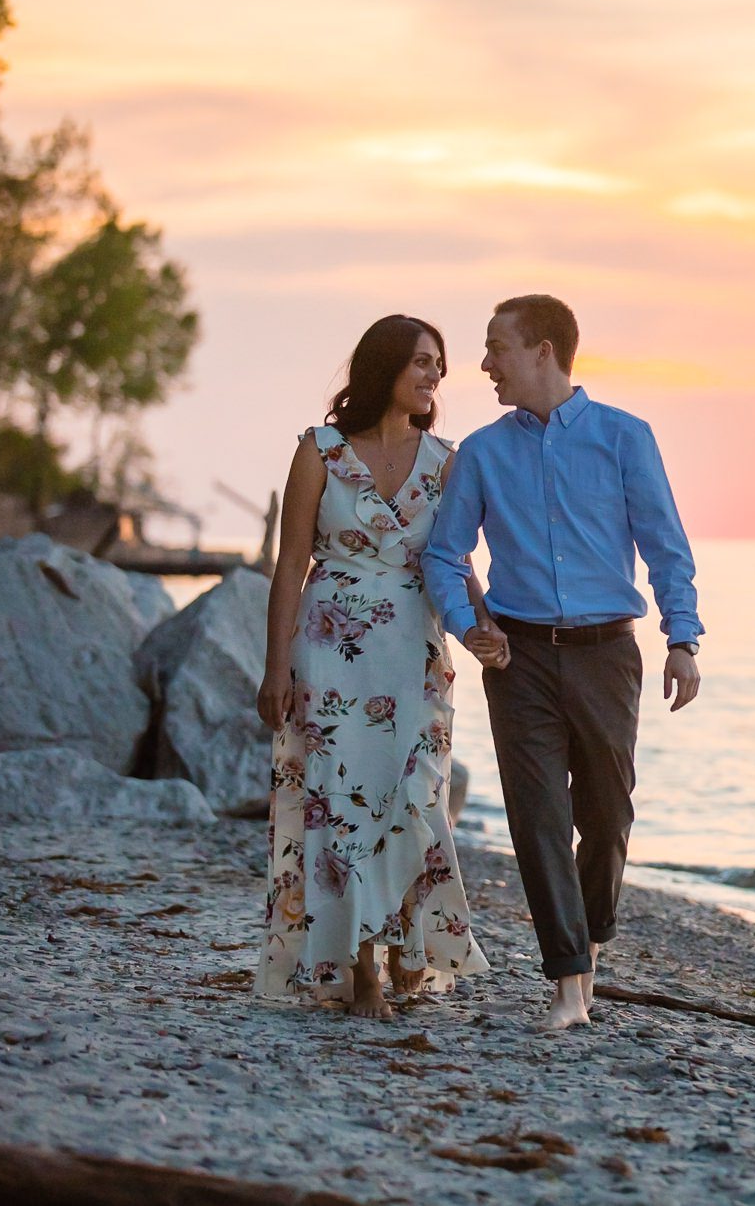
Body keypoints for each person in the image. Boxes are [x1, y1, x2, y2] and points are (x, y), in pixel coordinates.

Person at [423, 293, 703, 1031]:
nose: (484, 365)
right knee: (538, 818)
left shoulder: (624, 437)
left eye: (497, 348)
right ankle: (568, 985)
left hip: (608, 652)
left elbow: (665, 545)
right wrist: (468, 626)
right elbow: (445, 555)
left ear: (543, 350)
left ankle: (590, 939)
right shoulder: (482, 452)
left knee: (607, 816)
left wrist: (683, 639)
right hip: (518, 660)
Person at [254, 314, 494, 1016]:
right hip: (330, 655)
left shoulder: (447, 459)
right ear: (383, 366)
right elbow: (291, 564)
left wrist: (486, 626)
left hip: (414, 658)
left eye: (438, 366)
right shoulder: (320, 452)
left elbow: (456, 560)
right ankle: (361, 972)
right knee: (339, 808)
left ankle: (405, 945)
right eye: (421, 361)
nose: (433, 376)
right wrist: (275, 669)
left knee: (416, 802)